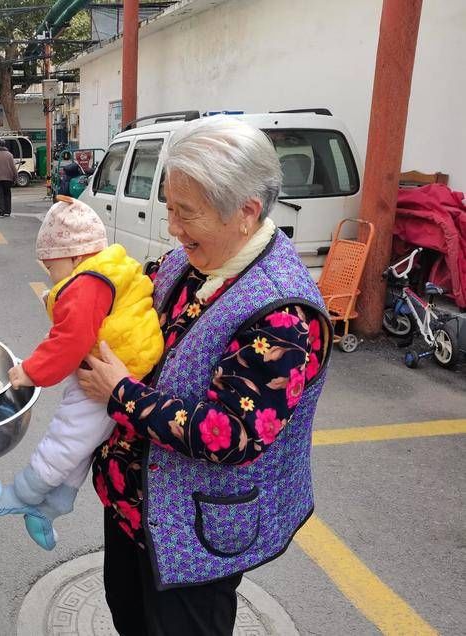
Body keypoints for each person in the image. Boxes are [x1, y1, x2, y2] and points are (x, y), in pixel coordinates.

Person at [76, 116, 332, 636]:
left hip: (197, 528)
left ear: (246, 212)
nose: (171, 227)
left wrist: (121, 394)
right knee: (130, 616)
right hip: (134, 508)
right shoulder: (191, 260)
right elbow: (136, 295)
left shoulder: (283, 313)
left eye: (185, 213)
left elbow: (231, 434)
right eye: (170, 207)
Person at [0, 197, 164, 550]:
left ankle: (22, 494)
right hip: (128, 363)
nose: (49, 274)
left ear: (76, 257)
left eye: (51, 267)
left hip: (108, 370)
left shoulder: (85, 285)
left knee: (66, 436)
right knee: (83, 443)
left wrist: (30, 372)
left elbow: (69, 341)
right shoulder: (109, 269)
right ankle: (51, 507)